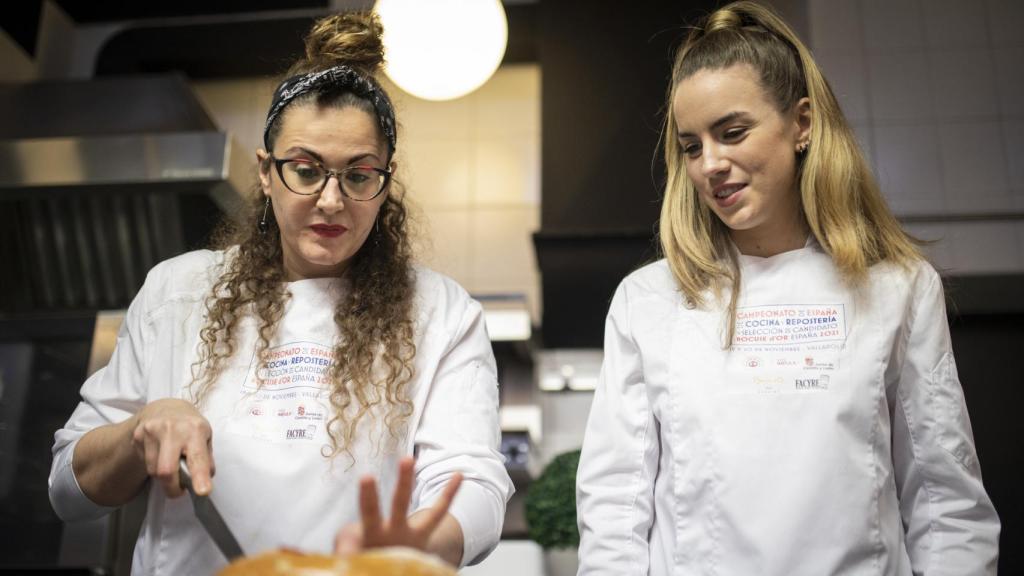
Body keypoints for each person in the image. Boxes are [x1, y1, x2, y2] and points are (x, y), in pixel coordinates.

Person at [48, 12, 512, 576]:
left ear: (385, 181)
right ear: (267, 172)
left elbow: (474, 482)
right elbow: (68, 488)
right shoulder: (177, 291)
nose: (331, 200)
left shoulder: (440, 311)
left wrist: (422, 542)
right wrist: (138, 431)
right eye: (306, 170)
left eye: (359, 175)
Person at [575, 2, 1000, 574]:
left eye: (732, 133)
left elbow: (945, 503)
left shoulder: (897, 287)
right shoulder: (648, 300)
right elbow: (614, 511)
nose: (709, 164)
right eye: (692, 146)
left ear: (802, 124)